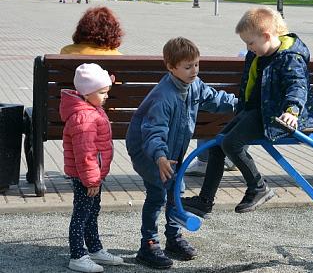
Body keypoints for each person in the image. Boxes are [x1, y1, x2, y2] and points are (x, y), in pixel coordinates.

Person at [181, 7, 313, 218]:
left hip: (278, 117)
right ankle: (204, 201)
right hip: (256, 111)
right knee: (217, 146)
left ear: (266, 36)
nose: (248, 47)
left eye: (250, 43)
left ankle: (258, 187)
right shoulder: (257, 54)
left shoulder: (290, 57)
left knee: (230, 144)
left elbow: (297, 85)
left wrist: (292, 110)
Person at [125, 37, 237, 269]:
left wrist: (240, 104)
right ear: (170, 67)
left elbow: (214, 98)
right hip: (149, 152)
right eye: (188, 67)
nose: (194, 70)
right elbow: (153, 131)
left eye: (196, 64)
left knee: (176, 189)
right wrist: (159, 157)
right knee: (159, 194)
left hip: (170, 152)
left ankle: (173, 238)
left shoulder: (194, 85)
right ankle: (148, 244)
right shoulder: (163, 97)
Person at [60, 63, 124, 272]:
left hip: (93, 175)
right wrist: (92, 180)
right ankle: (77, 255)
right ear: (87, 93)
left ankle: (95, 248)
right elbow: (85, 153)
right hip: (86, 177)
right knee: (81, 214)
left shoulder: (92, 109)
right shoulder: (84, 117)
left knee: (92, 212)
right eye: (102, 92)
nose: (106, 96)